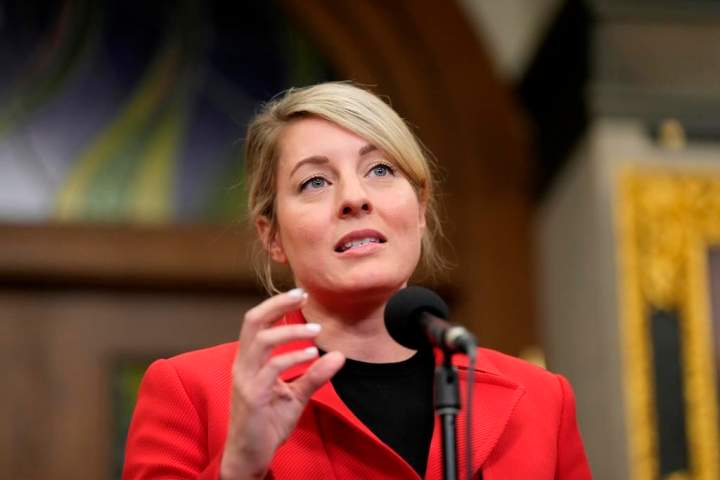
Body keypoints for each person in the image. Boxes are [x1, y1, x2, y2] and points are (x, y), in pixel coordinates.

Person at [122, 82, 591, 479]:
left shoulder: (542, 401)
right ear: (272, 236)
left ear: (421, 208)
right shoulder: (192, 391)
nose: (354, 197)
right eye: (315, 182)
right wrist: (239, 467)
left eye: (380, 170)